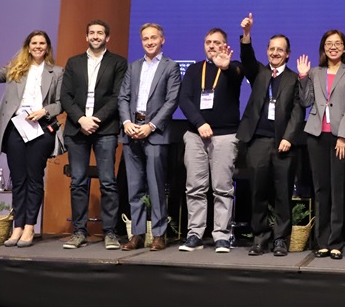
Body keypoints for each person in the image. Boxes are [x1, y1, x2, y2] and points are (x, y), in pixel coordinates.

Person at [0, 25, 63, 248]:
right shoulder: (15, 68)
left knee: (34, 178)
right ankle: (17, 225)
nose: (38, 46)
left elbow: (61, 103)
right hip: (16, 128)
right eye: (34, 43)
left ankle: (29, 227)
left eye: (42, 43)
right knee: (18, 179)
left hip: (40, 129)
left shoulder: (57, 72)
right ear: (28, 46)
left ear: (47, 48)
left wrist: (44, 111)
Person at [237, 13, 305, 257]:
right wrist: (246, 35)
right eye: (272, 49)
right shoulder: (259, 73)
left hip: (283, 143)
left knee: (283, 194)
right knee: (258, 192)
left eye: (280, 50)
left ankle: (280, 240)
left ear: (287, 54)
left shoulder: (294, 78)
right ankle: (260, 238)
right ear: (267, 51)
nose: (275, 53)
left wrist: (288, 137)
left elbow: (298, 111)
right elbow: (247, 57)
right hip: (257, 141)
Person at [60, 19, 128, 250]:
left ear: (107, 37)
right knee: (78, 182)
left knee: (108, 182)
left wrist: (95, 120)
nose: (95, 36)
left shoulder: (118, 62)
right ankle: (79, 231)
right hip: (77, 128)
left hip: (105, 129)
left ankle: (110, 232)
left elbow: (117, 96)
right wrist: (81, 119)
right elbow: (65, 96)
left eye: (100, 33)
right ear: (86, 36)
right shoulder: (74, 62)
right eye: (92, 33)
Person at [179, 28, 244, 253]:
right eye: (208, 42)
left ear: (225, 45)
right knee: (195, 187)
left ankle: (222, 236)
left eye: (217, 42)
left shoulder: (233, 68)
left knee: (222, 188)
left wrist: (225, 66)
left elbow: (237, 74)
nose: (212, 46)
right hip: (195, 135)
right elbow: (184, 99)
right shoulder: (195, 69)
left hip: (225, 136)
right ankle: (195, 234)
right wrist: (199, 123)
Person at [297, 29, 345, 260]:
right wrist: (303, 77)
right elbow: (305, 101)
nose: (333, 47)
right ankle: (322, 241)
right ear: (323, 48)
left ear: (344, 48)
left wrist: (343, 137)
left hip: (340, 138)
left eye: (337, 43)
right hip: (316, 136)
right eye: (329, 43)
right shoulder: (315, 72)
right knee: (321, 189)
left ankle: (336, 241)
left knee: (337, 189)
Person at [118, 23, 181, 251]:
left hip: (155, 134)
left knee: (155, 187)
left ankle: (159, 234)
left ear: (162, 40)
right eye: (145, 38)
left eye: (154, 38)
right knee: (134, 187)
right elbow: (123, 97)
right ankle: (136, 234)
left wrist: (151, 126)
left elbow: (172, 101)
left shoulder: (171, 67)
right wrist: (127, 122)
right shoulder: (133, 66)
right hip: (131, 131)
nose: (149, 42)